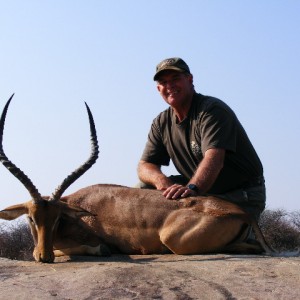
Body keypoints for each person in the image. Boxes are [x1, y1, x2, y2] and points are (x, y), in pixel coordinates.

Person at [137, 57, 266, 220]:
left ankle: (245, 239)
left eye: (175, 79)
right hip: (200, 191)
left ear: (190, 80)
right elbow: (145, 165)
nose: (169, 86)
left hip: (240, 194)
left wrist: (192, 189)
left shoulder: (211, 110)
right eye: (163, 82)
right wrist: (161, 181)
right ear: (158, 88)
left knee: (189, 225)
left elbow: (214, 159)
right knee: (142, 188)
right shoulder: (161, 122)